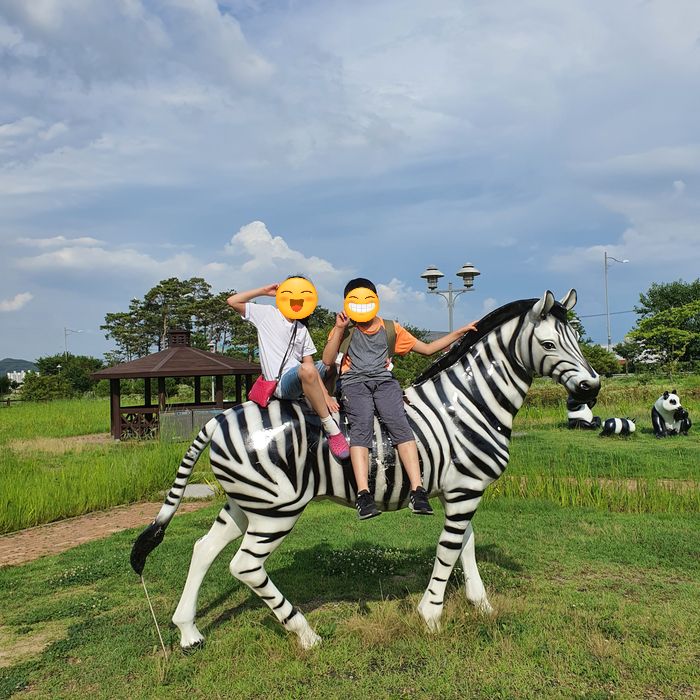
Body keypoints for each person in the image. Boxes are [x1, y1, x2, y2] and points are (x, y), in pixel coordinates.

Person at [322, 277, 478, 519]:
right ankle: (363, 495)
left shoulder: (391, 328)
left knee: (400, 426)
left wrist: (459, 332)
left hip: (385, 382)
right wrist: (340, 329)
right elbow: (327, 359)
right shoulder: (345, 329)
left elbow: (427, 350)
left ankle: (418, 491)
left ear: (374, 300)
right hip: (354, 383)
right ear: (347, 303)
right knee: (361, 428)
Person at [227, 282, 350, 460]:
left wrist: (326, 395)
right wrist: (263, 291)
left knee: (333, 362)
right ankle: (330, 426)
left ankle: (328, 402)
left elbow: (314, 367)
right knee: (307, 369)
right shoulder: (267, 314)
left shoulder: (301, 329)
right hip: (281, 384)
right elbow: (232, 301)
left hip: (300, 375)